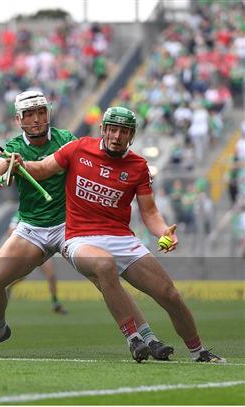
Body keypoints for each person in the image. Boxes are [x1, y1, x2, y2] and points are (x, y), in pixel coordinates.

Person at [0, 92, 173, 362]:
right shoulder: (13, 147)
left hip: (72, 225)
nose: (37, 119)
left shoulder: (67, 140)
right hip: (33, 228)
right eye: (29, 114)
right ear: (19, 119)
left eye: (41, 112)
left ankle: (148, 339)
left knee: (104, 277)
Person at [21, 106, 225, 363]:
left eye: (124, 131)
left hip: (122, 239)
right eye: (113, 129)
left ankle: (199, 352)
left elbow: (150, 213)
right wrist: (19, 163)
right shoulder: (78, 148)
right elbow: (40, 169)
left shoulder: (139, 166)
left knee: (170, 295)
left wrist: (165, 231)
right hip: (79, 238)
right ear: (103, 130)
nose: (117, 136)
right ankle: (134, 338)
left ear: (132, 136)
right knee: (104, 265)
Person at [7, 211, 68, 314]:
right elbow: (10, 230)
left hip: (44, 247)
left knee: (51, 275)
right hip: (28, 247)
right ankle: (7, 287)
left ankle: (55, 303)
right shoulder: (20, 213)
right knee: (22, 275)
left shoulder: (45, 210)